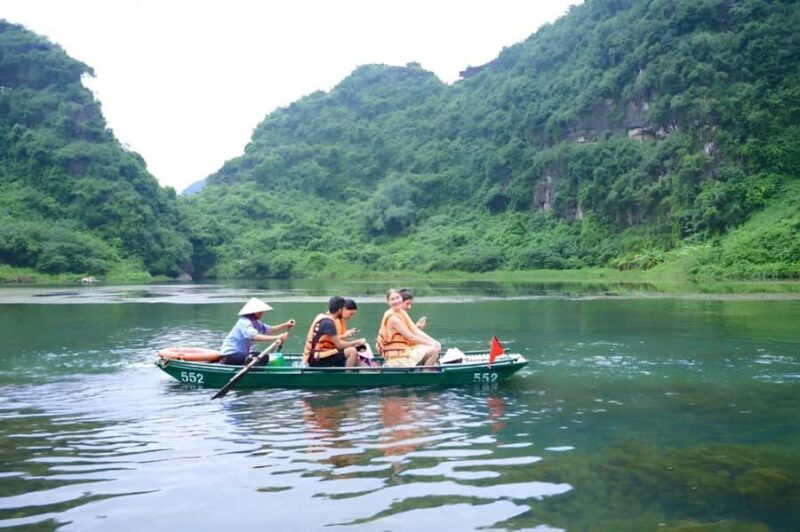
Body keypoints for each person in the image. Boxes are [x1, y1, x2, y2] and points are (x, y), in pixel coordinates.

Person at [219, 297, 296, 365]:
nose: (262, 313)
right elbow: (254, 336)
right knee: (259, 358)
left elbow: (269, 329)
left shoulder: (255, 322)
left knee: (264, 357)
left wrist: (286, 324)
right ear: (253, 312)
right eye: (260, 312)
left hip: (244, 353)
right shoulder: (244, 321)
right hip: (230, 355)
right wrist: (277, 337)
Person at [377, 288, 440, 367]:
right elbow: (411, 337)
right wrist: (432, 344)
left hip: (403, 350)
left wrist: (434, 342)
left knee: (432, 347)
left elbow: (415, 331)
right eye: (393, 299)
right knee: (434, 350)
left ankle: (425, 369)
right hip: (397, 355)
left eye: (398, 298)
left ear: (401, 298)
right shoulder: (393, 318)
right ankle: (425, 375)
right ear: (388, 302)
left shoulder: (401, 312)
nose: (396, 301)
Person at [303, 296, 368, 367]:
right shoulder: (328, 323)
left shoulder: (325, 318)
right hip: (316, 359)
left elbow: (336, 342)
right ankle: (348, 377)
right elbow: (339, 345)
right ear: (340, 310)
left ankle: (363, 373)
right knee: (352, 351)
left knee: (356, 351)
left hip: (319, 355)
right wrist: (357, 342)